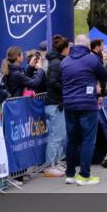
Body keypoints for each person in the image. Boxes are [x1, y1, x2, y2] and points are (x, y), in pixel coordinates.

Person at [60, 34, 107, 186]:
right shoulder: (91, 59)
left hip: (69, 104)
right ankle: (84, 175)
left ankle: (70, 174)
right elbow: (105, 75)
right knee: (88, 140)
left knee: (72, 140)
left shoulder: (65, 61)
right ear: (87, 46)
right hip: (87, 103)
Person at [42, 37, 68, 178]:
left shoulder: (56, 62)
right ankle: (50, 165)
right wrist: (66, 88)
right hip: (54, 103)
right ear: (64, 49)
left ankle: (55, 162)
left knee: (59, 135)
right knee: (56, 136)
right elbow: (53, 82)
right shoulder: (56, 63)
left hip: (56, 103)